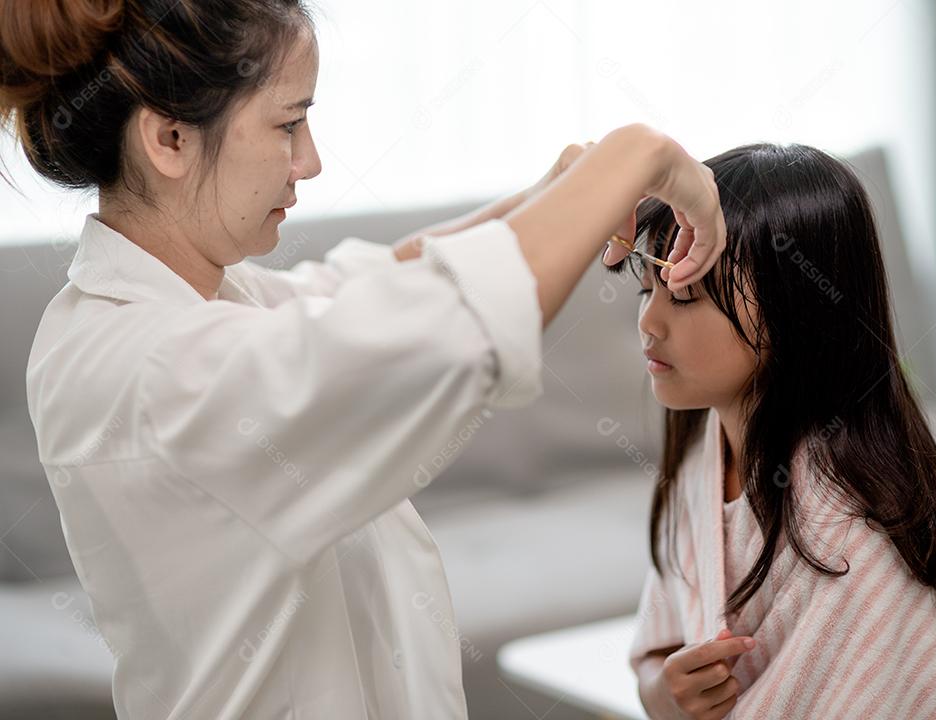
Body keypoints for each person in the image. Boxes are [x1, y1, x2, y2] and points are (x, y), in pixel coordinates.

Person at [0, 1, 725, 717]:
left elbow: (372, 283)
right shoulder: (153, 369)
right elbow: (437, 326)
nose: (309, 162)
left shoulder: (200, 300)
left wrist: (554, 194)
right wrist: (640, 154)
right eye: (288, 124)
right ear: (169, 138)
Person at [612, 144, 936, 719]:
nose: (649, 321)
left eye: (687, 294)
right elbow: (656, 647)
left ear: (800, 314)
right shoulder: (702, 451)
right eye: (648, 287)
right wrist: (662, 692)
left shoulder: (848, 539)